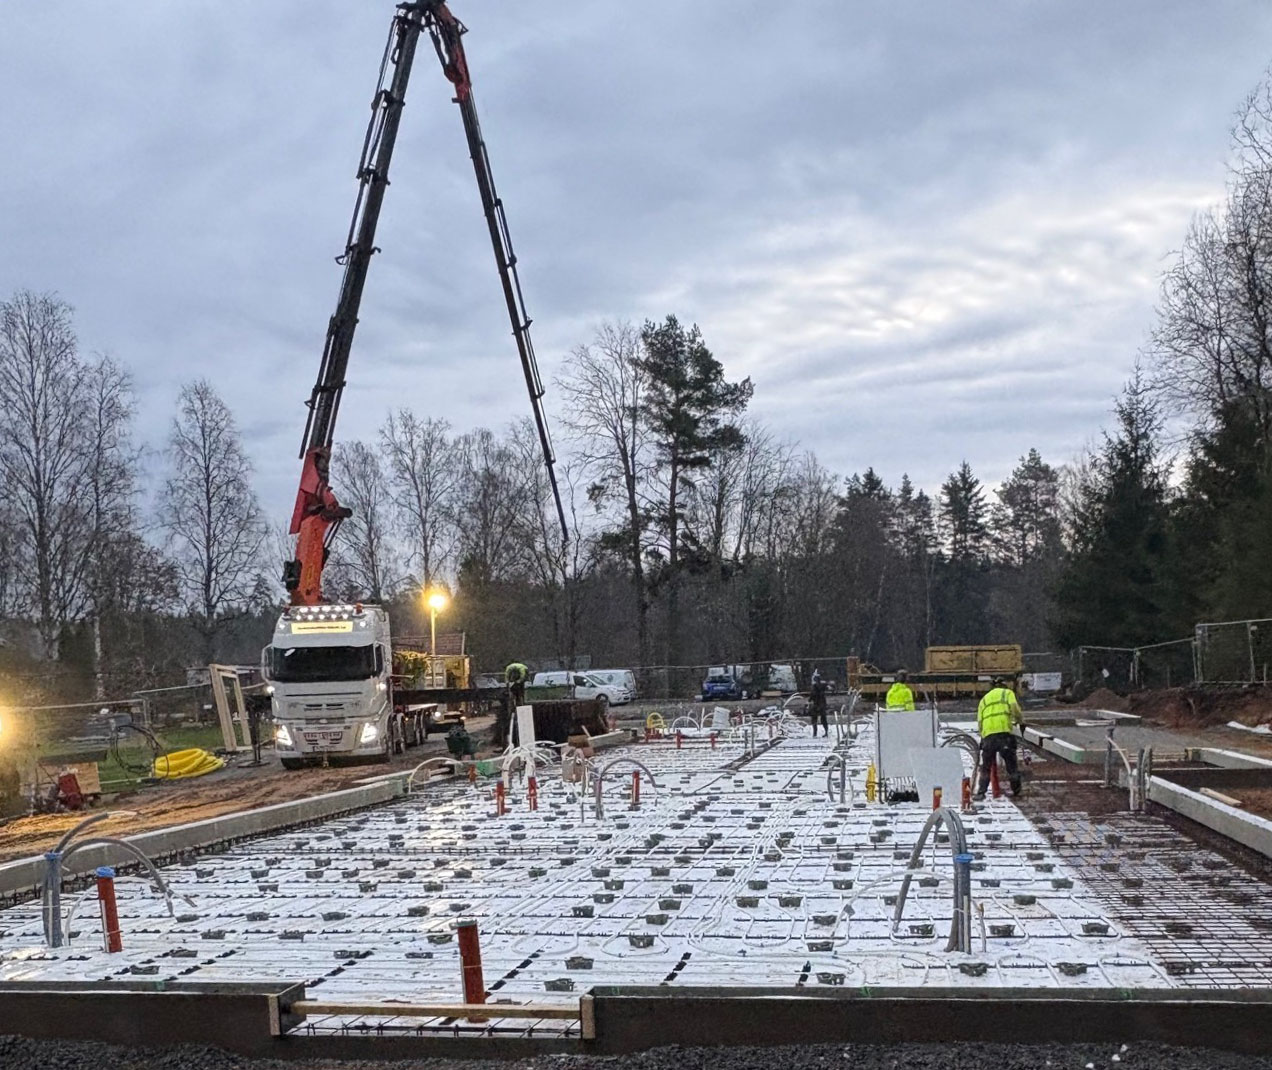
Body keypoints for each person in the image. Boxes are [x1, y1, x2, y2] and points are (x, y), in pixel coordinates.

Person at [975, 676, 1024, 799]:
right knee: (1011, 764)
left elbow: (980, 722)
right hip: (1003, 734)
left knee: (986, 766)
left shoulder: (984, 700)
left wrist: (983, 736)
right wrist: (1020, 720)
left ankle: (981, 792)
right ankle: (1016, 791)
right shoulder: (1007, 693)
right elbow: (1014, 708)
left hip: (988, 736)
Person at [808, 671, 829, 737]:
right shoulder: (823, 686)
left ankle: (815, 733)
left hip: (816, 704)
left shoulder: (814, 687)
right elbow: (830, 688)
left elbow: (812, 696)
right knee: (823, 719)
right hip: (822, 704)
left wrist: (809, 701)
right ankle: (826, 732)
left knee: (814, 719)